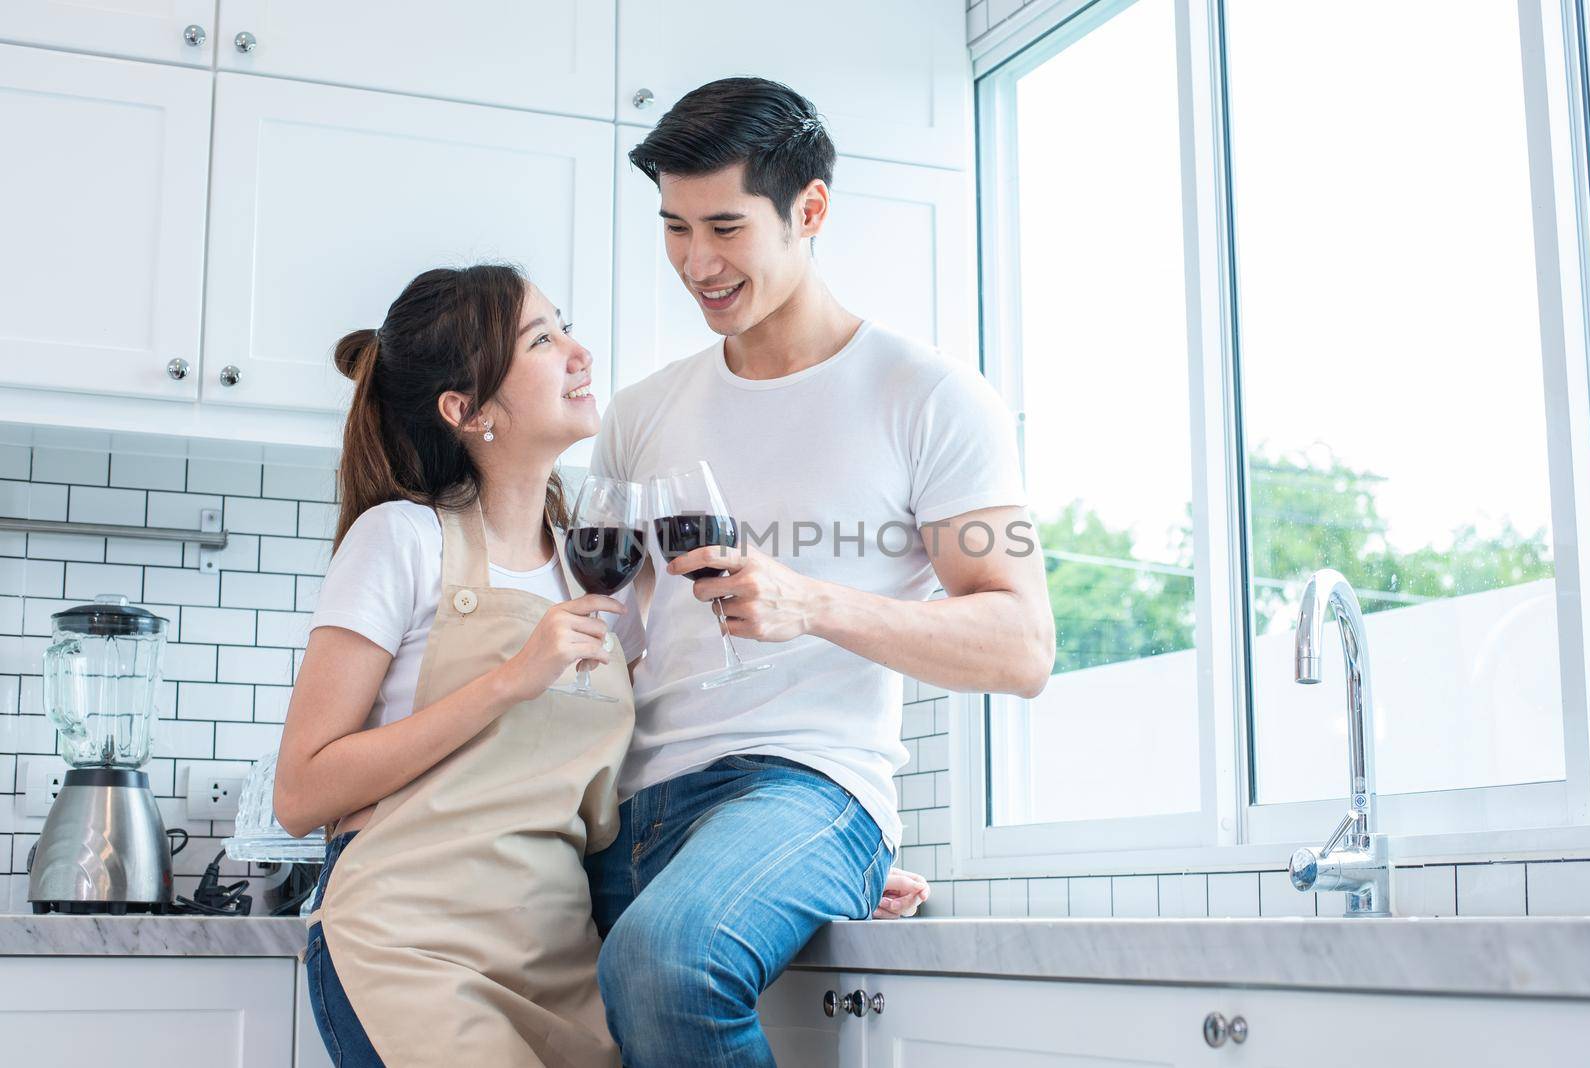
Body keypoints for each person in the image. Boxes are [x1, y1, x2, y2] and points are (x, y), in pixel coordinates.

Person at [586, 77, 1055, 1066]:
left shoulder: (929, 398)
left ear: (810, 211)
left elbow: (1022, 645)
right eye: (674, 228)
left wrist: (810, 603)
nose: (696, 263)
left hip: (807, 786)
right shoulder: (640, 413)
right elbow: (610, 643)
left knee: (667, 959)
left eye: (725, 226)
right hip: (632, 805)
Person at [274, 264, 640, 1067]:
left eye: (562, 326)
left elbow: (635, 785)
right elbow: (301, 793)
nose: (578, 352)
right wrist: (511, 678)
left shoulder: (597, 569)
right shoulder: (402, 540)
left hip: (559, 963)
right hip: (411, 948)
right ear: (466, 411)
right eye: (542, 339)